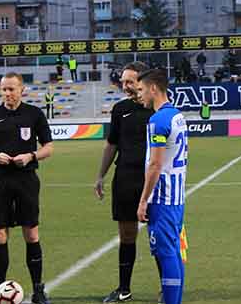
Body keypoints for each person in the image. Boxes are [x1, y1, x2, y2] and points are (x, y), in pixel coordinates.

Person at [0, 72, 55, 304]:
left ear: (22, 90)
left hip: (26, 180)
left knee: (31, 233)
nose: (7, 93)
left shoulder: (34, 114)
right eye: (4, 90)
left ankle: (38, 290)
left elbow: (48, 147)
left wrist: (31, 155)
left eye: (11, 89)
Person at [94, 62, 157, 303]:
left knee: (160, 236)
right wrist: (101, 175)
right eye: (123, 82)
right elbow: (112, 144)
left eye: (130, 81)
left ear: (143, 82)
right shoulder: (120, 109)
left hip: (153, 180)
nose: (125, 86)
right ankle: (124, 289)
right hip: (125, 179)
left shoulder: (157, 109)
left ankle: (167, 288)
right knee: (126, 235)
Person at [136, 69, 188, 304]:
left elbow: (155, 164)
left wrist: (143, 200)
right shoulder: (176, 115)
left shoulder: (158, 120)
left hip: (163, 198)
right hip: (176, 198)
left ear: (153, 88)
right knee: (174, 253)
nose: (140, 95)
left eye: (141, 90)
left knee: (166, 254)